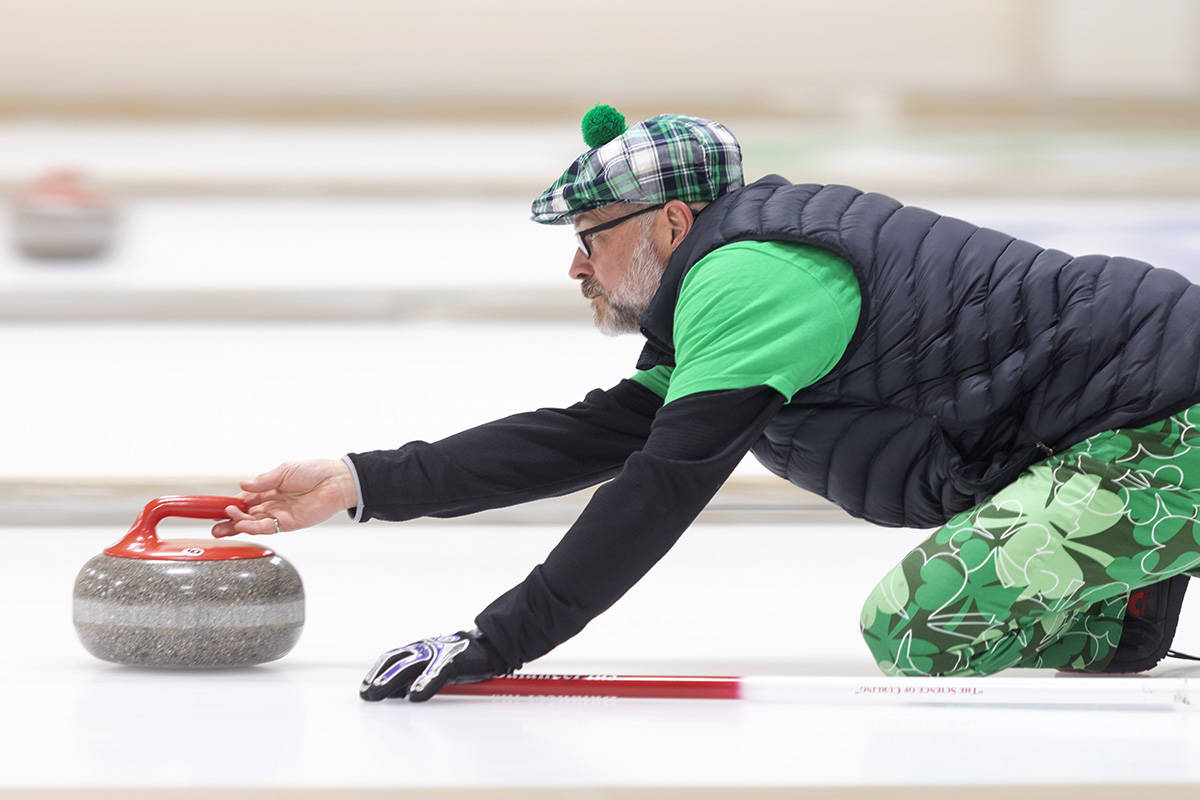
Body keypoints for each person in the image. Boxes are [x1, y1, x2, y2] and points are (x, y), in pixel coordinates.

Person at [212, 105, 1200, 702]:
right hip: (1128, 428)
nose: (575, 262)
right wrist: (360, 481)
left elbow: (662, 483)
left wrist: (497, 642)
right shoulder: (740, 285)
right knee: (953, 612)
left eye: (592, 235)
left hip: (1167, 422)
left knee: (924, 624)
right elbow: (591, 435)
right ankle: (1140, 596)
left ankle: (1159, 556)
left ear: (671, 221)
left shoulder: (751, 281)